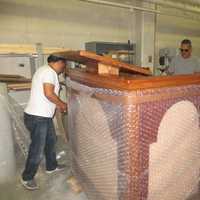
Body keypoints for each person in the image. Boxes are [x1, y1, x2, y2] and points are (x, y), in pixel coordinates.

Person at [21, 54, 67, 190]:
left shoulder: (43, 70)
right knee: (37, 149)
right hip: (38, 117)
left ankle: (51, 166)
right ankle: (27, 177)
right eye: (63, 65)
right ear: (58, 62)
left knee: (51, 141)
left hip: (41, 116)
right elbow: (49, 93)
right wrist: (62, 104)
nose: (63, 68)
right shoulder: (49, 72)